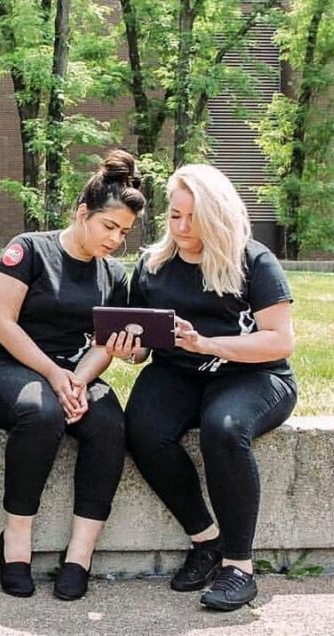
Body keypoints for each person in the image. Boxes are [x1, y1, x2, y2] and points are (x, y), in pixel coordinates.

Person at [0, 150, 145, 601]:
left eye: (124, 233)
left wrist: (80, 380)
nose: (115, 240)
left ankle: (79, 555)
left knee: (110, 423)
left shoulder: (113, 273)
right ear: (82, 213)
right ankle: (16, 542)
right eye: (109, 227)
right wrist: (54, 374)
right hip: (8, 368)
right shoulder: (29, 248)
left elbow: (105, 344)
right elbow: (2, 323)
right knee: (42, 413)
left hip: (73, 375)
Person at [123, 164, 296, 611]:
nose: (181, 227)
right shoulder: (152, 265)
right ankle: (207, 540)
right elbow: (143, 344)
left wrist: (207, 343)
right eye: (174, 216)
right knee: (142, 429)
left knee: (224, 428)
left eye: (192, 217)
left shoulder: (254, 260)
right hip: (178, 371)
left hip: (253, 374)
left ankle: (239, 568)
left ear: (216, 214)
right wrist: (131, 349)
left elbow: (281, 340)